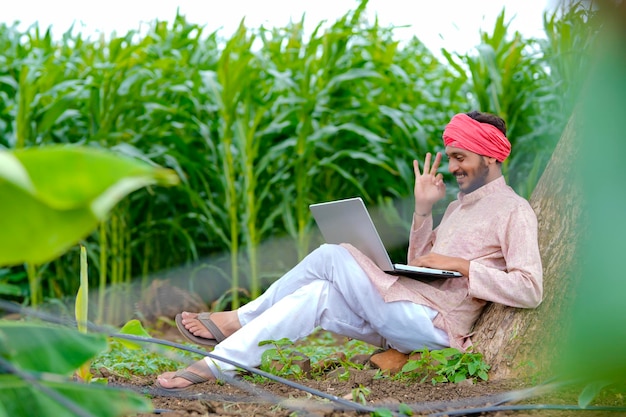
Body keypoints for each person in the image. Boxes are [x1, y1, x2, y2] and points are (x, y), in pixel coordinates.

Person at [156, 111, 543, 391]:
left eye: (461, 157)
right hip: (408, 310)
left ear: (490, 156)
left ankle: (239, 318)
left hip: (437, 326)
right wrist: (423, 209)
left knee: (333, 255)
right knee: (316, 294)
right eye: (451, 157)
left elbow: (529, 288)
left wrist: (461, 266)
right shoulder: (459, 206)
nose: (453, 167)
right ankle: (216, 365)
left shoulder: (514, 210)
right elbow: (422, 261)